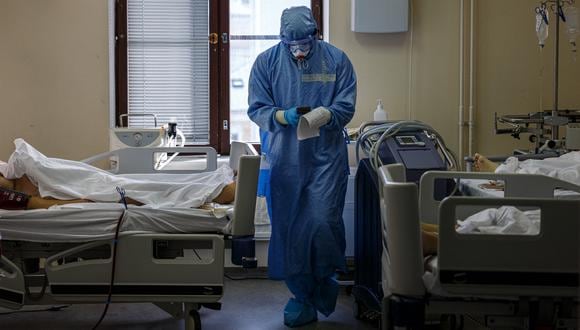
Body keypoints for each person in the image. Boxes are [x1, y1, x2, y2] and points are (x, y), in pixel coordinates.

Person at [247, 6, 357, 327]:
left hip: (326, 160)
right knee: (291, 231)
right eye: (292, 44)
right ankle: (300, 296)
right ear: (282, 39)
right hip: (285, 162)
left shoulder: (337, 60)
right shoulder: (266, 63)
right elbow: (257, 108)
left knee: (323, 224)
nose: (298, 50)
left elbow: (346, 105)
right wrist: (284, 116)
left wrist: (323, 115)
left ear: (315, 35)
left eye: (304, 43)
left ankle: (323, 282)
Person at [0, 139, 236, 210]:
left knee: (129, 184)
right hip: (67, 188)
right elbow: (33, 203)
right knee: (132, 190)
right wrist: (77, 201)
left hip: (64, 176)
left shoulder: (9, 175)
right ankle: (216, 192)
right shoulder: (8, 194)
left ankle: (213, 188)